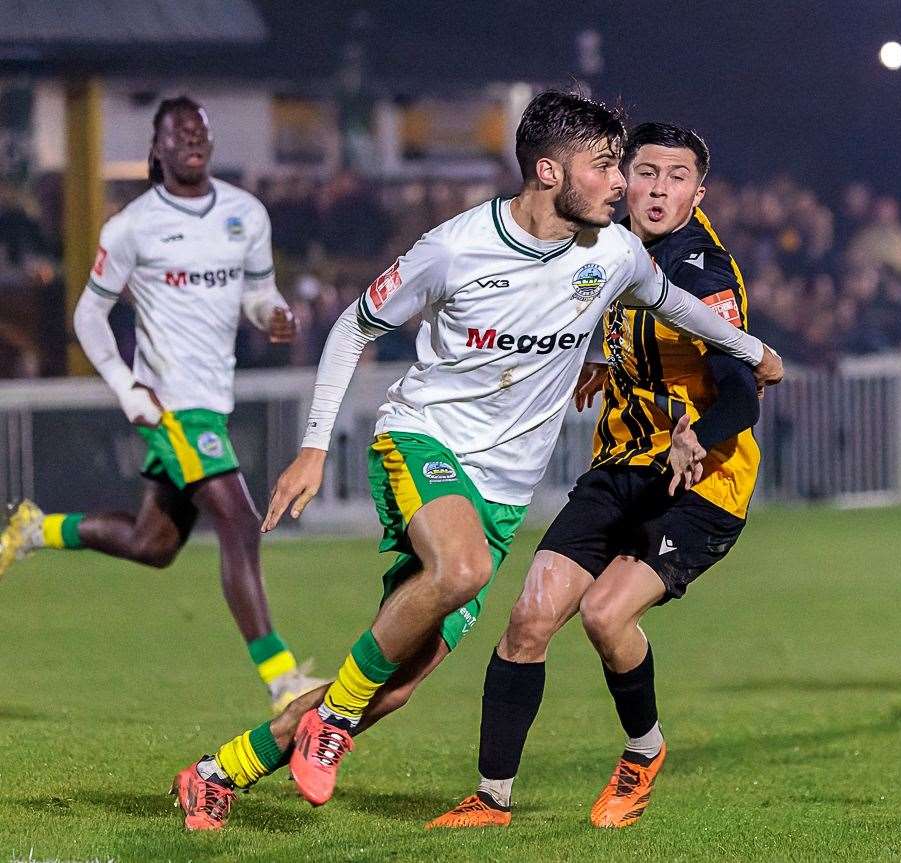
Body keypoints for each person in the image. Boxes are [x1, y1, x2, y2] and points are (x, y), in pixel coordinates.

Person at [169, 91, 783, 831]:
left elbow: (677, 308)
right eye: (611, 167)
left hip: (501, 495)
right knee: (463, 573)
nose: (624, 185)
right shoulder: (457, 246)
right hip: (424, 440)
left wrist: (753, 352)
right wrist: (310, 445)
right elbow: (351, 326)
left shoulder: (612, 254)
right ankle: (340, 722)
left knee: (389, 686)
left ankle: (217, 772)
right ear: (551, 173)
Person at [431, 122, 761, 829]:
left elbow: (742, 389)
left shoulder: (704, 272)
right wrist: (606, 359)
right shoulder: (608, 247)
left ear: (698, 193)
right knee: (529, 616)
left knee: (605, 614)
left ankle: (644, 749)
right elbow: (611, 314)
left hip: (700, 482)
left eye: (677, 177)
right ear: (624, 177)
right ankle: (491, 799)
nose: (658, 189)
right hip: (619, 469)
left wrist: (695, 436)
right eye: (646, 172)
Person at [0, 97, 323, 712]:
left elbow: (257, 294)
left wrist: (272, 315)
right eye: (179, 132)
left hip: (212, 399)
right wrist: (127, 388)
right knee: (238, 520)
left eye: (200, 128)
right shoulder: (132, 227)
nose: (192, 138)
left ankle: (37, 528)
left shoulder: (245, 214)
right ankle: (283, 681)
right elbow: (88, 316)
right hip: (171, 405)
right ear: (159, 148)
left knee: (154, 545)